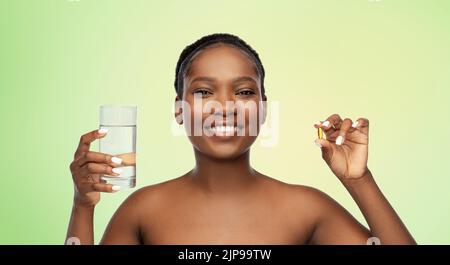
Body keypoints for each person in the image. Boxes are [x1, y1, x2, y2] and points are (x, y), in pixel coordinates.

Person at [66, 33, 415, 244]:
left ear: (263, 109)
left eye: (245, 92)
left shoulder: (306, 209)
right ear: (179, 109)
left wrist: (359, 181)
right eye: (203, 92)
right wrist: (83, 205)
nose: (225, 106)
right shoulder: (142, 211)